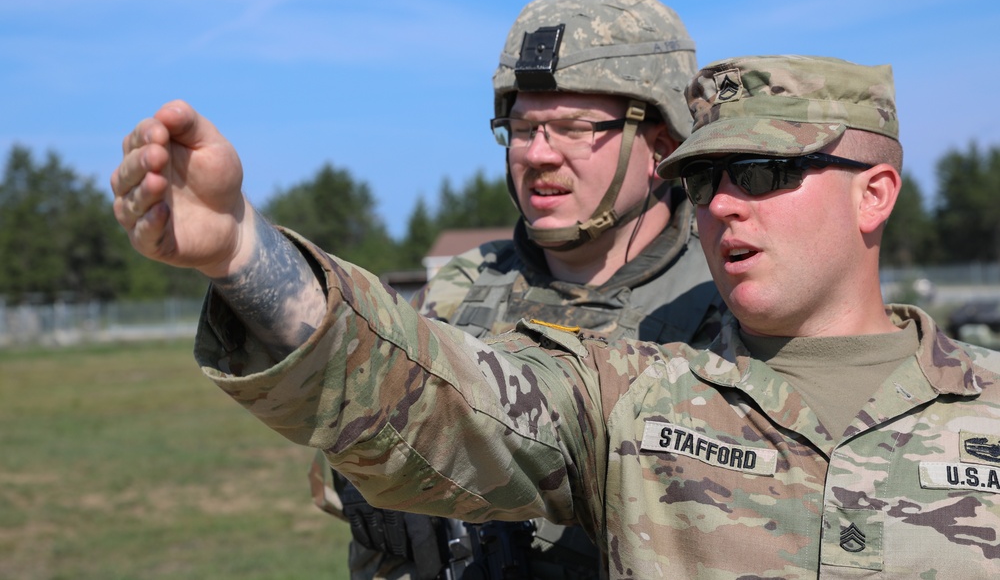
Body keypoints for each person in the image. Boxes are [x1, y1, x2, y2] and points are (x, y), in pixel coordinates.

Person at [112, 54, 1000, 578]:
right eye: (705, 178)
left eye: (762, 174)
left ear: (875, 194)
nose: (724, 205)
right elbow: (421, 387)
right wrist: (238, 250)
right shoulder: (632, 394)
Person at [309, 0, 725, 580]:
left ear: (661, 142)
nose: (538, 155)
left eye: (573, 128)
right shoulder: (457, 294)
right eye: (523, 128)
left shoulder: (728, 307)